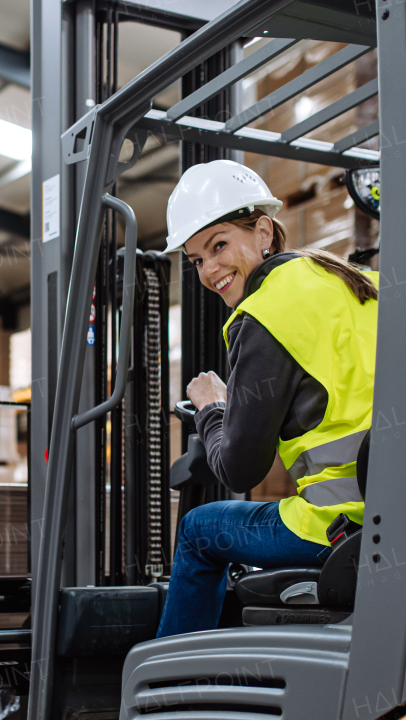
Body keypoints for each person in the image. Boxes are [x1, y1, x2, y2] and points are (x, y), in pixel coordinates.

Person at [155, 159, 379, 638]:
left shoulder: (263, 315)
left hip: (337, 525)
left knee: (198, 531)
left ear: (263, 232)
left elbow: (240, 469)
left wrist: (212, 410)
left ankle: (166, 693)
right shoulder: (361, 283)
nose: (209, 268)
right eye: (196, 260)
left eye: (218, 246)